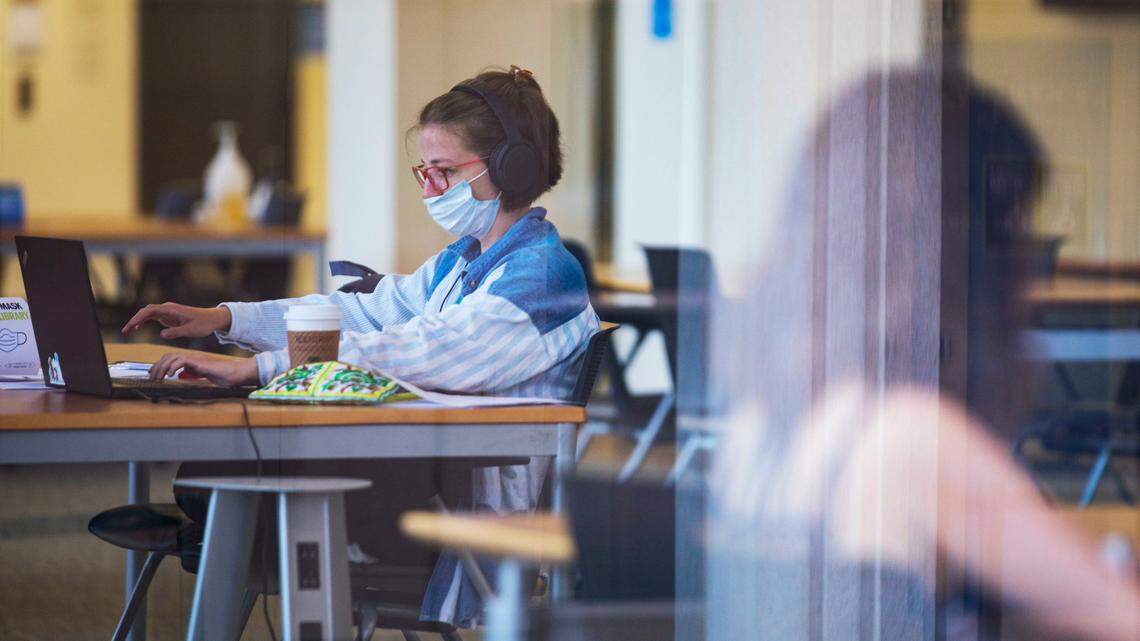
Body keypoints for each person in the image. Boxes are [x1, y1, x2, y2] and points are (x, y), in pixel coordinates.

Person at [123, 65, 599, 626]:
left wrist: (259, 370)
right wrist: (225, 317)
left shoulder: (543, 276)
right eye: (423, 171)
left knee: (233, 487)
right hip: (423, 478)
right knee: (224, 485)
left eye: (444, 171)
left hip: (461, 521)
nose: (428, 189)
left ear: (509, 170)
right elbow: (365, 312)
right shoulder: (463, 259)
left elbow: (426, 350)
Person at [708, 69, 1140, 641]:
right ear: (955, 241)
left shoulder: (758, 429)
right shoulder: (911, 439)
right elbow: (1120, 616)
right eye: (1012, 227)